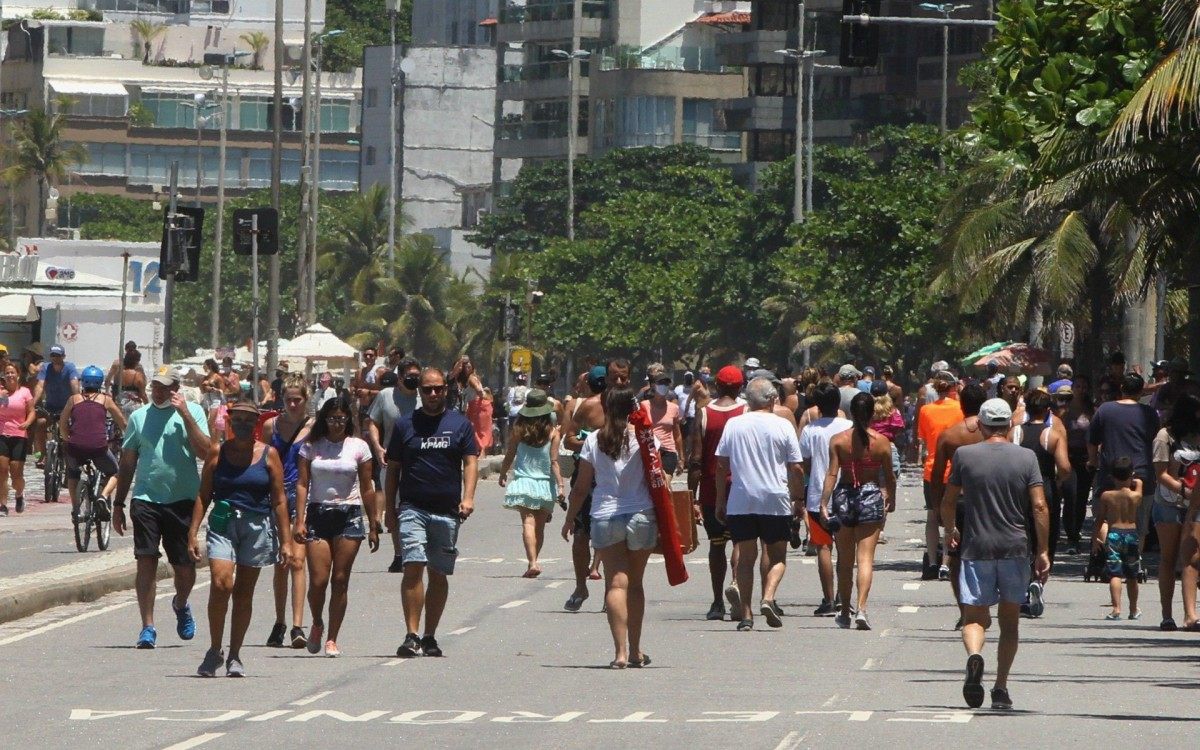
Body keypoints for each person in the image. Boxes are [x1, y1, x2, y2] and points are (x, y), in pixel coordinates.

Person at [941, 398, 1050, 711]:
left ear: (982, 425)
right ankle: (1000, 687)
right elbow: (1039, 506)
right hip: (1015, 548)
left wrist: (951, 531)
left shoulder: (964, 455)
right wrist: (1042, 550)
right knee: (1010, 622)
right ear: (1009, 425)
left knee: (974, 618)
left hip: (977, 547)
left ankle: (975, 656)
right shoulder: (1027, 457)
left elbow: (948, 501)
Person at [188, 401, 295, 677]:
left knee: (244, 593)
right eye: (239, 420)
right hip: (224, 524)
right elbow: (203, 494)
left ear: (257, 424)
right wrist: (192, 532)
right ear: (230, 422)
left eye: (250, 421)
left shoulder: (269, 455)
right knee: (221, 583)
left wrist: (285, 541)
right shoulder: (217, 452)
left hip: (257, 525)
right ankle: (214, 650)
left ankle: (235, 654)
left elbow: (280, 500)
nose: (244, 425)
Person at [113, 370, 211, 649]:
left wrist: (186, 417)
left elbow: (205, 451)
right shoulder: (139, 417)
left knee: (184, 567)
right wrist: (118, 504)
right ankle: (148, 627)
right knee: (146, 561)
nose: (159, 391)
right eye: (155, 385)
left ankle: (180, 604)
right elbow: (128, 460)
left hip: (183, 501)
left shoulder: (192, 412)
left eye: (166, 387)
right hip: (146, 499)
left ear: (176, 389)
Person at [562, 385, 656, 668]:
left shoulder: (593, 440)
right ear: (633, 408)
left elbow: (581, 487)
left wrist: (570, 518)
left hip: (604, 516)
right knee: (636, 584)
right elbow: (659, 475)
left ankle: (621, 653)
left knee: (616, 582)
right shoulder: (644, 437)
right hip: (641, 515)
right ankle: (637, 650)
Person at [388, 367, 479, 658]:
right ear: (419, 391)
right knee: (413, 566)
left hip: (447, 510)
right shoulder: (405, 425)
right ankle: (411, 634)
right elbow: (393, 470)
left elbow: (471, 462)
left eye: (438, 388)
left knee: (438, 573)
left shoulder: (459, 424)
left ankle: (429, 636)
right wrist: (389, 509)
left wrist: (468, 497)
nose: (433, 394)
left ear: (445, 390)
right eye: (427, 389)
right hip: (413, 507)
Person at [715, 377, 804, 631]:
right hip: (775, 500)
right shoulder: (783, 425)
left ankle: (746, 614)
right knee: (778, 557)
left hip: (741, 500)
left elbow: (721, 465)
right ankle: (768, 597)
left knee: (745, 559)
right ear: (773, 399)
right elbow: (796, 468)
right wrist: (798, 499)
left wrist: (721, 499)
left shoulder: (734, 424)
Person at [293, 392, 377, 657]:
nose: (336, 423)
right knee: (318, 580)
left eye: (341, 419)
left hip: (349, 514)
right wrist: (299, 519)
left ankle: (332, 638)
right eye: (331, 418)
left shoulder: (359, 447)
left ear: (348, 419)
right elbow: (302, 484)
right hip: (318, 513)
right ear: (324, 419)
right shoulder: (311, 446)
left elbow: (367, 487)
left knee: (340, 579)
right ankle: (317, 622)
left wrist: (373, 522)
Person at [820, 392, 896, 629]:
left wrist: (823, 503)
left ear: (852, 412)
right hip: (871, 496)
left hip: (844, 497)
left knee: (845, 560)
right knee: (865, 559)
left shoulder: (838, 440)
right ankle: (861, 609)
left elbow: (832, 473)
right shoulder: (882, 442)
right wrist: (890, 497)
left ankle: (844, 609)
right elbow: (889, 476)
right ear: (872, 413)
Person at [689, 365, 746, 620]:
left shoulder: (703, 414)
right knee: (739, 541)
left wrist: (692, 497)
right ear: (740, 387)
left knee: (716, 544)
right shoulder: (746, 412)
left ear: (717, 386)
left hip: (712, 487)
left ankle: (716, 603)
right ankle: (736, 583)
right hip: (741, 485)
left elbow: (696, 460)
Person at [931, 383, 989, 626]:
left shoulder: (950, 435)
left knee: (956, 558)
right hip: (988, 502)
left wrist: (937, 507)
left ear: (962, 405)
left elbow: (936, 475)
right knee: (986, 555)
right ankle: (980, 607)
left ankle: (965, 610)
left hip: (959, 501)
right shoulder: (993, 435)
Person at [262, 375, 313, 648]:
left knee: (297, 560)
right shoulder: (272, 425)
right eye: (288, 399)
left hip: (303, 495)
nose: (292, 404)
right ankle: (280, 621)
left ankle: (297, 624)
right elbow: (262, 457)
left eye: (298, 399)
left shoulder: (315, 427)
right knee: (281, 562)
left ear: (306, 399)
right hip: (277, 495)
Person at [1010, 388, 1071, 618]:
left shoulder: (1014, 433)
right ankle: (1038, 580)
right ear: (1047, 410)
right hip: (1045, 488)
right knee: (1045, 536)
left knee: (1021, 534)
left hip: (1018, 490)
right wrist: (1056, 480)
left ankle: (1025, 583)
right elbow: (1065, 467)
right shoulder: (1051, 435)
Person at [799, 381, 853, 615]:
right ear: (838, 403)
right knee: (845, 549)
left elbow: (804, 462)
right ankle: (844, 596)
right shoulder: (849, 427)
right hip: (845, 494)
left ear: (817, 406)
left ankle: (829, 599)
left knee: (823, 547)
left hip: (816, 497)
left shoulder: (811, 429)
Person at [498, 389, 564, 577]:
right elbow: (554, 462)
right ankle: (534, 560)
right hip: (545, 484)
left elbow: (510, 454)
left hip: (524, 482)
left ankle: (532, 562)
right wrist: (560, 485)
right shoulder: (553, 433)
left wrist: (503, 473)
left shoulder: (518, 430)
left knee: (528, 523)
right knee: (540, 527)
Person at [1088, 373, 1159, 540]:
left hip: (1110, 475)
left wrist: (1092, 461)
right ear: (1141, 392)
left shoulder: (1105, 409)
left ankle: (1103, 555)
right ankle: (1135, 562)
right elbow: (1155, 441)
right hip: (1141, 475)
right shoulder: (1149, 413)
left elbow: (1092, 440)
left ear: (1121, 388)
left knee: (1104, 519)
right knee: (1138, 525)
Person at [366, 357, 421, 572]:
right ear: (399, 378)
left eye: (417, 377)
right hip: (392, 462)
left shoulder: (424, 397)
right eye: (409, 377)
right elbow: (372, 422)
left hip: (419, 463)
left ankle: (414, 551)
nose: (413, 381)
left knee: (415, 508)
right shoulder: (385, 396)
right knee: (395, 509)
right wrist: (378, 447)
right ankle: (399, 554)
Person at [1150, 393, 1200, 631]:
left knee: (1191, 558)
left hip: (1195, 505)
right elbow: (1160, 474)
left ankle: (1191, 614)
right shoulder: (1164, 437)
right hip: (1169, 503)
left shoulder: (1197, 437)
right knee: (1169, 558)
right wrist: (1184, 491)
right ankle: (1167, 614)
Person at [560, 365, 608, 610]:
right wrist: (593, 443)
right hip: (586, 476)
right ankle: (581, 586)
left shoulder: (622, 406)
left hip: (612, 479)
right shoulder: (585, 406)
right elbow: (569, 439)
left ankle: (611, 592)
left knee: (611, 536)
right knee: (581, 534)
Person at [60, 366, 125, 523]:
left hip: (75, 447)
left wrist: (66, 438)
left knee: (73, 473)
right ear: (100, 383)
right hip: (98, 448)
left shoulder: (73, 399)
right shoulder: (105, 400)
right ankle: (103, 496)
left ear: (83, 382)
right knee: (116, 472)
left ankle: (76, 509)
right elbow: (122, 422)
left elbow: (62, 422)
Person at [918, 370, 964, 580]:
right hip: (954, 468)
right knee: (950, 515)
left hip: (932, 469)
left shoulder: (926, 410)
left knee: (932, 514)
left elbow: (923, 440)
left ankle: (932, 562)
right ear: (954, 387)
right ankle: (947, 560)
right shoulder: (959, 408)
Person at [1093, 457, 1143, 621]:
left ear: (1113, 477)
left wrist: (1095, 538)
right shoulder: (1135, 496)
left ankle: (1116, 608)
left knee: (1115, 573)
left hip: (1114, 534)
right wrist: (1136, 480)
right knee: (1132, 575)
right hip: (1131, 535)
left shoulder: (1107, 496)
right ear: (1131, 475)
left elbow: (1100, 519)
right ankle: (1134, 609)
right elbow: (1140, 485)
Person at [32, 344, 80, 469]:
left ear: (63, 356)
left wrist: (78, 402)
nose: (55, 358)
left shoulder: (70, 368)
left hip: (67, 408)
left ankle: (70, 462)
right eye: (53, 355)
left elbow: (74, 384)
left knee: (67, 435)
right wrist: (32, 402)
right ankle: (43, 455)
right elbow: (40, 386)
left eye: (58, 355)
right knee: (40, 424)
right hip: (50, 407)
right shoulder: (46, 368)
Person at [0, 363, 34, 516]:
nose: (10, 375)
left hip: (19, 435)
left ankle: (19, 494)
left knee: (16, 473)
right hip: (2, 434)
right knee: (2, 470)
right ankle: (3, 505)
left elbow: (32, 411)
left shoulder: (25, 392)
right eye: (7, 373)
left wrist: (27, 422)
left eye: (12, 372)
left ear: (18, 375)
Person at [642, 372, 684, 475]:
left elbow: (677, 434)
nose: (664, 386)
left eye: (666, 384)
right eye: (661, 383)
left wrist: (681, 458)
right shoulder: (644, 406)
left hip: (668, 451)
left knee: (665, 482)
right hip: (650, 451)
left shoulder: (674, 408)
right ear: (653, 385)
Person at [115, 350, 148, 418]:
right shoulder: (138, 376)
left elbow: (115, 389)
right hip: (133, 407)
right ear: (136, 361)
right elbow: (143, 395)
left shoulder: (118, 374)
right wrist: (148, 405)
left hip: (120, 405)